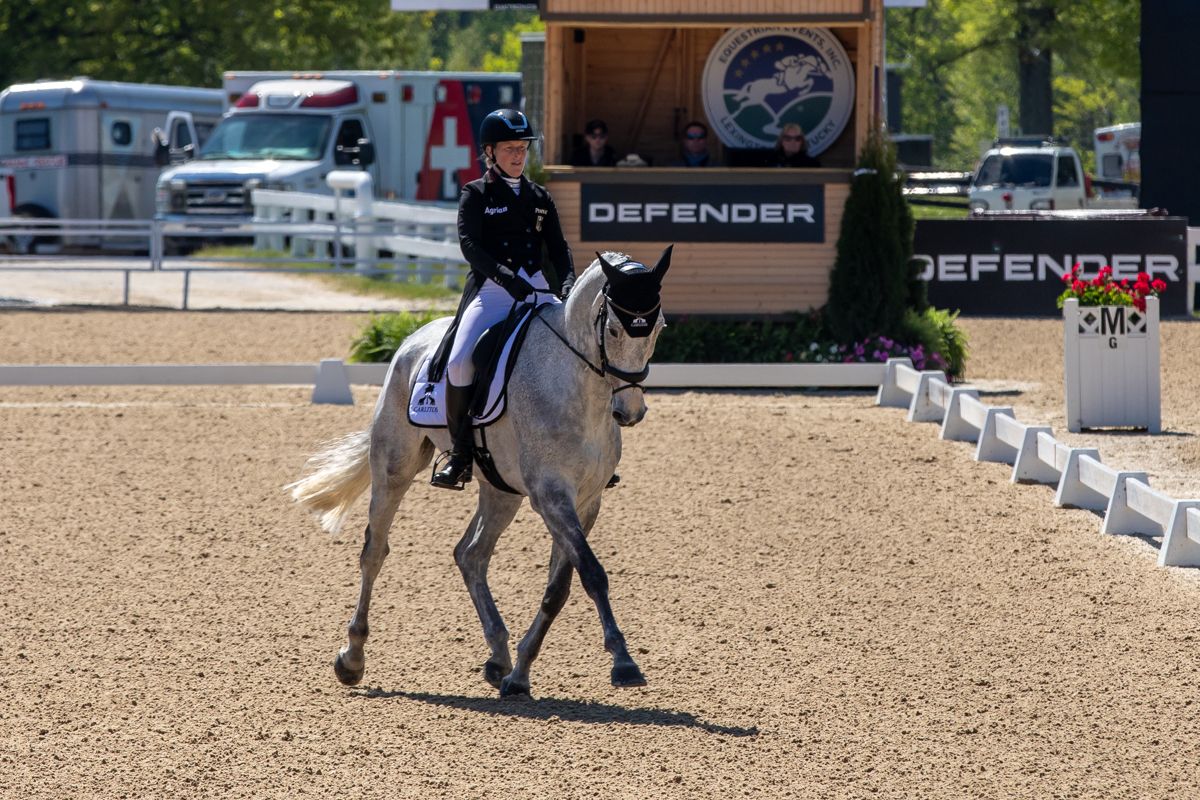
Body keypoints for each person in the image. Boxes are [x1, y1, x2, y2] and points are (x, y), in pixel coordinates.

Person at [429, 108, 575, 491]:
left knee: (580, 349)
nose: (518, 155)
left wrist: (568, 282)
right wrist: (508, 280)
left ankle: (592, 445)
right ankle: (459, 455)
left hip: (538, 290)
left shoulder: (539, 197)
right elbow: (470, 246)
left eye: (523, 148)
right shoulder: (476, 193)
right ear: (490, 151)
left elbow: (558, 248)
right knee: (461, 363)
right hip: (494, 290)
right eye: (510, 148)